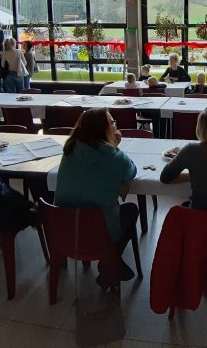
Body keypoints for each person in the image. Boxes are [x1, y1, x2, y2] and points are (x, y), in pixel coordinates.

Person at [55, 108, 139, 285]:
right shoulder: (117, 158)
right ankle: (110, 260)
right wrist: (115, 147)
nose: (115, 126)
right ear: (104, 129)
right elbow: (131, 172)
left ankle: (110, 262)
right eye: (112, 123)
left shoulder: (69, 150)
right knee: (131, 209)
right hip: (99, 232)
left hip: (65, 229)